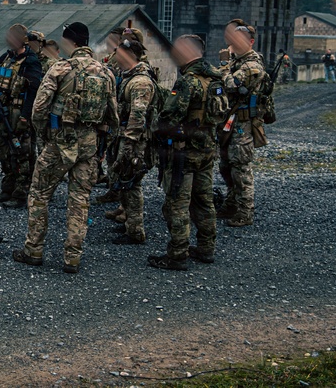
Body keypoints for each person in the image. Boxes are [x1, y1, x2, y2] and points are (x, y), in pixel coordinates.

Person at [12, 22, 117, 274]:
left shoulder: (61, 68)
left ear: (69, 41)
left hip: (60, 143)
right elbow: (113, 116)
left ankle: (34, 249)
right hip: (88, 146)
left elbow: (39, 108)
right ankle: (72, 257)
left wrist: (45, 135)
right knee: (80, 199)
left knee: (39, 194)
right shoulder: (106, 73)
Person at [148, 34, 220, 271]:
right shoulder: (215, 79)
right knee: (204, 201)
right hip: (207, 149)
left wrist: (155, 131)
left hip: (184, 152)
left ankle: (177, 254)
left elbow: (170, 116)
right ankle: (206, 248)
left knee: (177, 203)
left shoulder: (188, 82)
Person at [0, 24, 43, 208]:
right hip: (3, 113)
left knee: (22, 154)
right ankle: (7, 189)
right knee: (4, 153)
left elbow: (34, 90)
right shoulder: (5, 58)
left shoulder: (31, 61)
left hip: (19, 115)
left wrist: (26, 116)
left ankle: (21, 194)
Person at [106, 35, 158, 245]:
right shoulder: (127, 77)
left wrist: (128, 143)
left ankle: (135, 230)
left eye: (118, 53)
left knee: (131, 182)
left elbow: (138, 115)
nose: (114, 57)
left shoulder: (140, 82)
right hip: (123, 136)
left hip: (133, 140)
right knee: (123, 180)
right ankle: (129, 220)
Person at [217, 19, 267, 228]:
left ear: (251, 42)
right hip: (230, 121)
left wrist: (224, 65)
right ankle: (231, 203)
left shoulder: (253, 65)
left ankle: (245, 211)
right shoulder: (236, 62)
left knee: (240, 167)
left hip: (243, 124)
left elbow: (230, 84)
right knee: (226, 165)